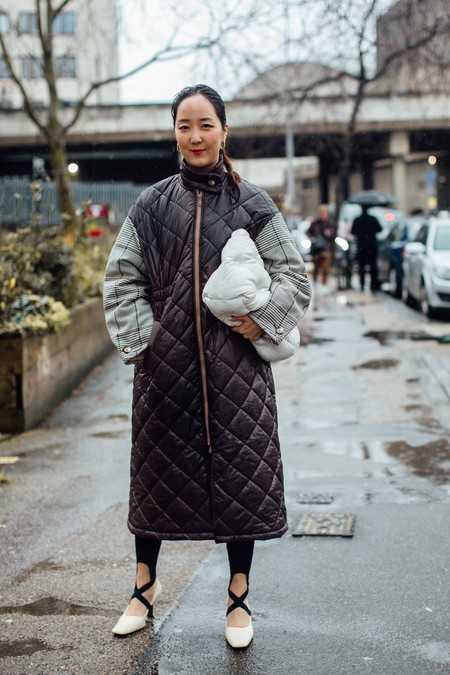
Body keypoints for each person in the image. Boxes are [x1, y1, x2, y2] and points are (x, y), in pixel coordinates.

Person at [103, 84, 312, 649]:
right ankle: (143, 592)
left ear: (224, 130)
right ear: (175, 131)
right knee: (154, 482)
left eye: (205, 125)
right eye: (184, 125)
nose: (194, 136)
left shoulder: (255, 204)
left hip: (238, 376)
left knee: (240, 482)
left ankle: (238, 598)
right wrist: (145, 345)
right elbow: (121, 279)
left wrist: (261, 319)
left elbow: (295, 277)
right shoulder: (151, 205)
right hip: (164, 374)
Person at [350, 204, 382, 291]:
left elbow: (353, 231)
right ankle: (373, 285)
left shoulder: (357, 220)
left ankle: (362, 283)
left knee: (362, 266)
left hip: (361, 246)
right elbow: (380, 229)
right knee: (373, 266)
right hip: (371, 246)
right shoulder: (373, 219)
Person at [306, 204, 337, 285]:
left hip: (326, 249)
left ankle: (324, 285)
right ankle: (315, 284)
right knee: (316, 268)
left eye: (324, 212)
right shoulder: (315, 223)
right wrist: (313, 239)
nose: (323, 214)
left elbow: (333, 236)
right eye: (321, 212)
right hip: (316, 250)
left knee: (325, 268)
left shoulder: (330, 224)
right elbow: (308, 232)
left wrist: (328, 235)